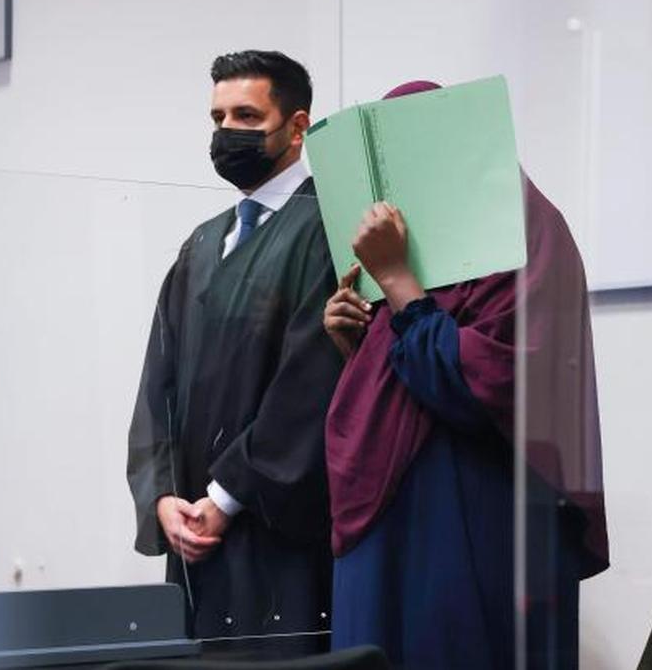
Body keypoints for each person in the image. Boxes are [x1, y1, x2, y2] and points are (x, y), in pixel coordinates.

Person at [323, 80, 609, 669]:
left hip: (477, 512)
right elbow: (403, 378)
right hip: (393, 525)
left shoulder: (527, 232)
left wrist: (398, 282)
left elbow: (494, 383)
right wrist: (359, 341)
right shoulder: (418, 246)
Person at [127, 51, 343, 643]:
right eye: (218, 118)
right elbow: (157, 383)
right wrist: (163, 496)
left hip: (277, 530)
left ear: (297, 127)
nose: (227, 132)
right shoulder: (203, 244)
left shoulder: (325, 228)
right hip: (191, 530)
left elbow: (311, 386)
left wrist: (226, 497)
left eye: (246, 116)